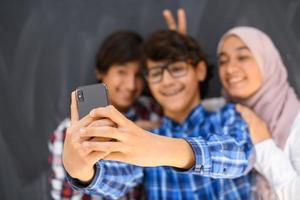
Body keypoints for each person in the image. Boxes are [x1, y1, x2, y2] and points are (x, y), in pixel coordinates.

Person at [62, 30, 255, 200]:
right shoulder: (144, 133)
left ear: (200, 70)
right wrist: (84, 172)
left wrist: (162, 149)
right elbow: (119, 176)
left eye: (177, 69)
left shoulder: (228, 115)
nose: (167, 81)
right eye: (156, 73)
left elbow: (240, 157)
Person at [48, 31, 162, 200]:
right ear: (100, 72)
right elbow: (64, 196)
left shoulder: (150, 111)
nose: (131, 85)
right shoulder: (70, 132)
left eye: (138, 75)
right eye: (122, 72)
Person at [217, 26, 300, 200]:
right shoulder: (224, 115)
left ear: (267, 61)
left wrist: (264, 144)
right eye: (223, 61)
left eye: (243, 57)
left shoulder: (295, 121)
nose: (230, 69)